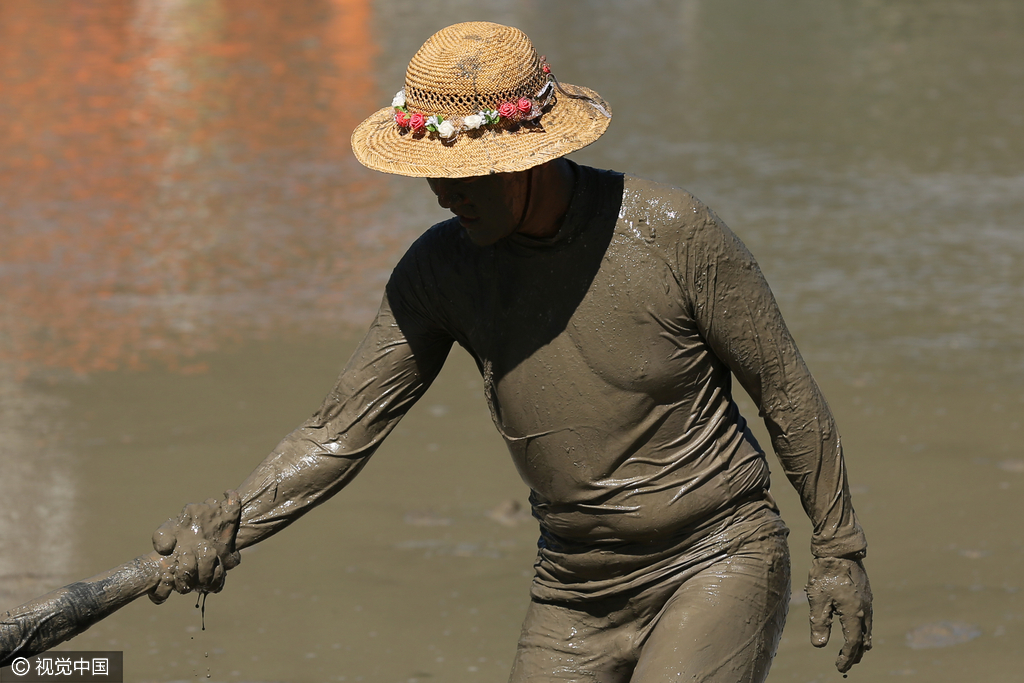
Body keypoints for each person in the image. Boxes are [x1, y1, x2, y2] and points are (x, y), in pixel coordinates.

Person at [149, 22, 872, 682]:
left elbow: (785, 392)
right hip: (574, 586)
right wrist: (231, 518)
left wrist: (839, 550)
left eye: (464, 176)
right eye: (430, 173)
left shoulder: (672, 233)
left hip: (715, 553)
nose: (442, 196)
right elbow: (336, 433)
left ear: (529, 159)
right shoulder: (440, 273)